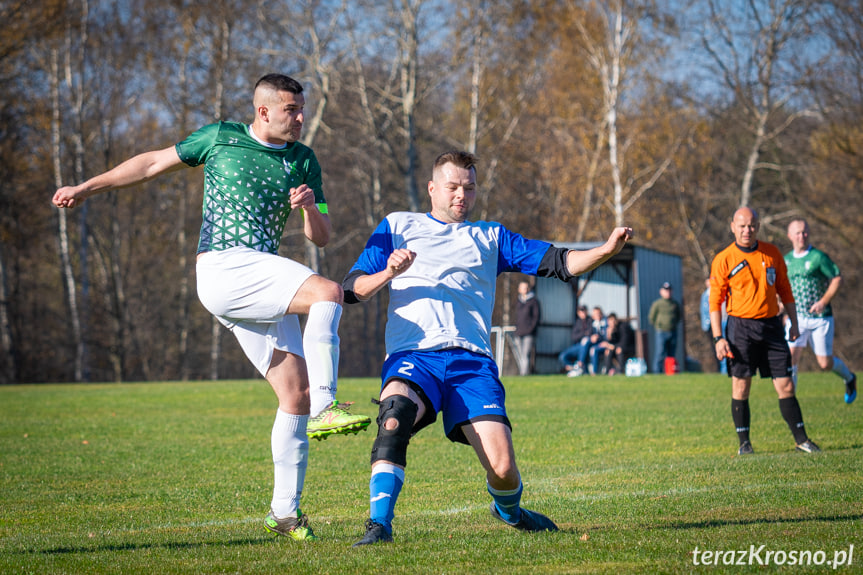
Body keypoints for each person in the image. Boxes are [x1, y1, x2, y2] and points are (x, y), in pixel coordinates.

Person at [52, 73, 372, 541]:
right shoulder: (221, 137)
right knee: (326, 293)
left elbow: (319, 235)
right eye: (291, 110)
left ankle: (284, 512)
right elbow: (148, 165)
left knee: (293, 396)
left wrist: (308, 208)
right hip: (224, 267)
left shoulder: (304, 160)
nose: (301, 118)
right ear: (263, 111)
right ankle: (328, 405)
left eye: (302, 109)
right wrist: (85, 187)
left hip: (257, 278)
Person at [341, 150, 633, 546]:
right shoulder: (396, 226)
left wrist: (605, 251)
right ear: (432, 189)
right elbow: (351, 290)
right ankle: (379, 526)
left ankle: (509, 511)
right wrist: (388, 273)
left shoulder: (490, 237)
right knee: (394, 416)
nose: (462, 194)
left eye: (470, 187)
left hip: (471, 364)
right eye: (453, 187)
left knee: (503, 469)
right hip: (413, 357)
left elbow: (559, 262)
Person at [710, 207, 820, 455]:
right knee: (741, 386)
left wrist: (794, 323)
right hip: (740, 328)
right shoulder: (724, 259)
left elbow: (785, 289)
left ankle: (802, 440)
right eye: (742, 226)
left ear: (758, 226)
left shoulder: (771, 253)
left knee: (786, 385)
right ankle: (744, 444)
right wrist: (719, 337)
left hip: (771, 326)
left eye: (751, 225)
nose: (747, 230)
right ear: (732, 227)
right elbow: (714, 303)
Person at [784, 218, 856, 404]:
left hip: (820, 318)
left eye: (805, 231)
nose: (802, 236)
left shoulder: (817, 257)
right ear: (790, 236)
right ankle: (790, 398)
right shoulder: (786, 260)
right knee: (791, 356)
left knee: (824, 363)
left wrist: (823, 301)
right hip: (797, 318)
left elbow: (836, 279)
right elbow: (783, 288)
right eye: (798, 232)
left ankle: (850, 378)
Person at [648, 282, 681, 374]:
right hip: (661, 331)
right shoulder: (657, 304)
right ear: (661, 292)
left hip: (672, 331)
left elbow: (679, 316)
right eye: (666, 290)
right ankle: (657, 372)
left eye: (669, 290)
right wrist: (659, 325)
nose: (668, 292)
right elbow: (652, 317)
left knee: (671, 354)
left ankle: (670, 371)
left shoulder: (675, 304)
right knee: (660, 353)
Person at [512, 280, 540, 376]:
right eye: (523, 287)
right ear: (519, 290)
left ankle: (524, 374)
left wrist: (531, 329)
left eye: (526, 287)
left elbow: (536, 317)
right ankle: (523, 372)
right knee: (520, 355)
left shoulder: (534, 301)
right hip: (519, 332)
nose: (525, 289)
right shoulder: (518, 301)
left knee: (525, 354)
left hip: (529, 333)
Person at [700, 278, 728, 374]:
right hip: (711, 326)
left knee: (724, 347)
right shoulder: (705, 295)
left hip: (724, 322)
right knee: (716, 349)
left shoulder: (722, 292)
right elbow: (704, 312)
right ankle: (720, 370)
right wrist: (706, 324)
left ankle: (725, 370)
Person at [557, 305, 592, 376]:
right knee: (562, 356)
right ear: (578, 313)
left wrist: (584, 335)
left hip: (587, 346)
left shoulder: (590, 321)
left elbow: (590, 333)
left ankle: (580, 365)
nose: (583, 313)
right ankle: (575, 368)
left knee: (585, 341)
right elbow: (574, 337)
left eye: (584, 311)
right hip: (577, 346)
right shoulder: (577, 323)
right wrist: (584, 333)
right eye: (581, 312)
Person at [586, 306, 609, 375]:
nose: (597, 315)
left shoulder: (606, 323)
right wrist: (592, 337)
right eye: (595, 314)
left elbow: (608, 336)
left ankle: (594, 371)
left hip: (606, 344)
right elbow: (588, 334)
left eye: (599, 313)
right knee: (586, 344)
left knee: (594, 350)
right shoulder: (592, 324)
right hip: (597, 344)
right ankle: (584, 369)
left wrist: (606, 342)